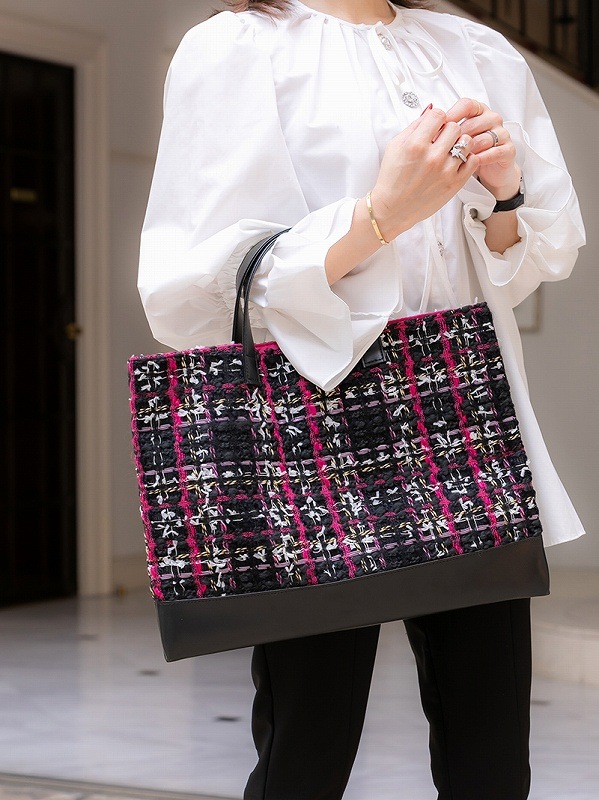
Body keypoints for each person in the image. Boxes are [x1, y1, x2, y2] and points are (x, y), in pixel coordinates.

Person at [137, 1, 586, 798]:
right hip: (309, 437)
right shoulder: (236, 48)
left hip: (464, 421)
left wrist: (504, 196)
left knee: (491, 758)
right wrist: (381, 216)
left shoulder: (473, 48)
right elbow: (190, 292)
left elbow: (527, 265)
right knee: (306, 752)